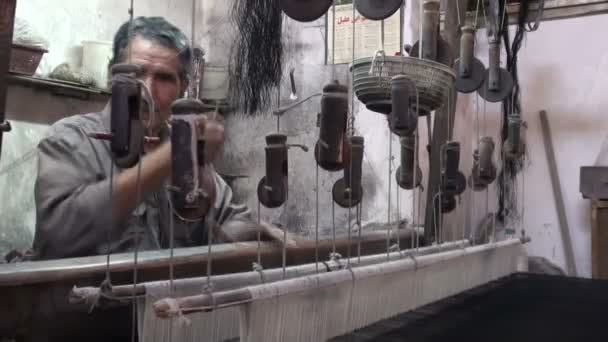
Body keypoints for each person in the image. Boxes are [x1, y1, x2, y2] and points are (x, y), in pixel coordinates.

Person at [32, 17, 255, 260]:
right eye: (135, 73)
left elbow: (231, 218)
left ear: (183, 88)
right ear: (111, 76)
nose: (147, 88)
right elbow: (57, 235)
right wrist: (172, 156)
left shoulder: (188, 154)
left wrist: (245, 233)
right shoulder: (71, 139)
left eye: (164, 78)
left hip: (169, 298)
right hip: (91, 297)